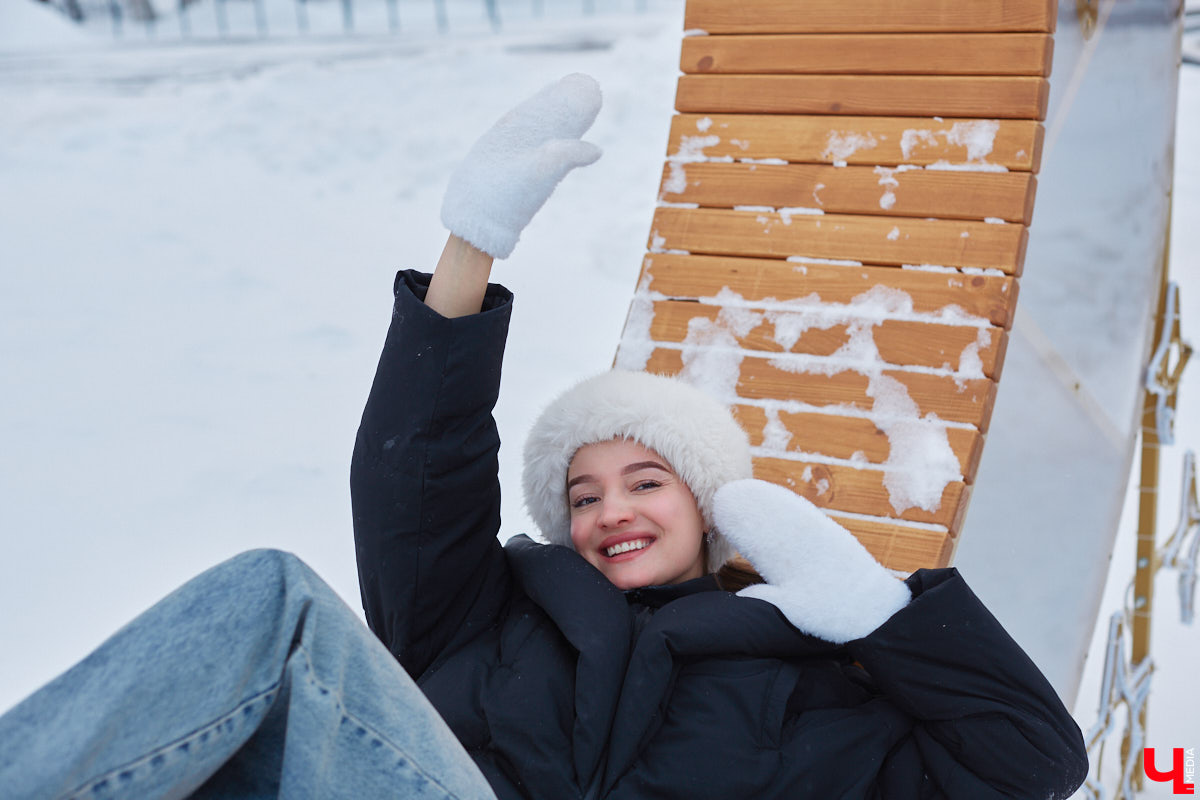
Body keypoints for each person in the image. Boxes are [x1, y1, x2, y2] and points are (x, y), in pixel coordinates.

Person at [0, 74, 1088, 800]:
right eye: (581, 492)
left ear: (711, 507)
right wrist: (467, 249)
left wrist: (872, 613)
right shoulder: (489, 614)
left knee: (278, 600)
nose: (610, 506)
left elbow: (1033, 763)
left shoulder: (813, 684)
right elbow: (419, 475)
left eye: (647, 478)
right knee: (266, 606)